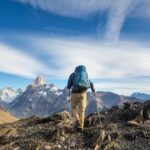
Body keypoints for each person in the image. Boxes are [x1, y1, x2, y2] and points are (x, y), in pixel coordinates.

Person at [67, 65, 95, 131]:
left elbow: (69, 85)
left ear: (76, 69)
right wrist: (94, 91)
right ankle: (81, 127)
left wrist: (69, 92)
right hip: (83, 94)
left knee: (73, 107)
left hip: (74, 94)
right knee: (82, 111)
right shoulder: (85, 74)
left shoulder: (73, 75)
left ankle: (77, 121)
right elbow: (91, 83)